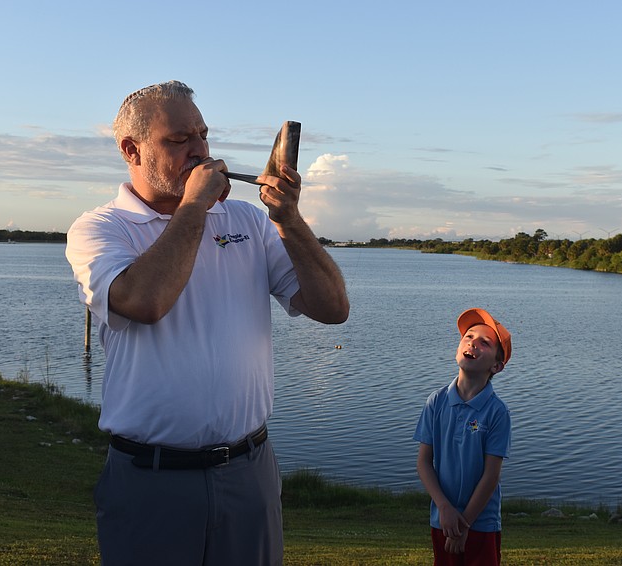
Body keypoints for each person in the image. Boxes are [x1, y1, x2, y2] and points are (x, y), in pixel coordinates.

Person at [65, 80, 349, 566]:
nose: (200, 151)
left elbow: (332, 308)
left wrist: (289, 221)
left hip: (249, 471)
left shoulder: (249, 221)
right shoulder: (99, 228)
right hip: (150, 480)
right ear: (131, 150)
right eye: (179, 140)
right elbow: (145, 300)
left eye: (203, 135)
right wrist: (194, 205)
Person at [413, 308, 513, 566]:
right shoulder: (437, 401)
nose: (472, 343)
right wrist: (444, 508)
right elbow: (424, 462)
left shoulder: (497, 412)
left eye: (484, 343)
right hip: (443, 520)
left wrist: (466, 522)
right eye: (468, 337)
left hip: (481, 523)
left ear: (496, 366)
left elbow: (491, 475)